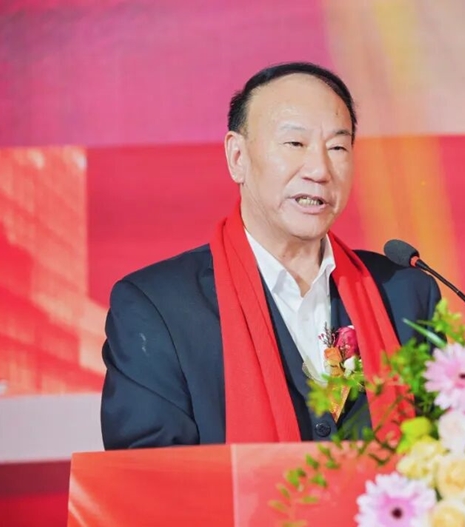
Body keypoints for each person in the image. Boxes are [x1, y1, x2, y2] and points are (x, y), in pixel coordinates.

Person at [100, 62, 441, 449]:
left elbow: (450, 450)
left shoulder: (406, 295)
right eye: (295, 144)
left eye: (337, 147)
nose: (320, 170)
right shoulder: (158, 307)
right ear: (237, 157)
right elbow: (148, 476)